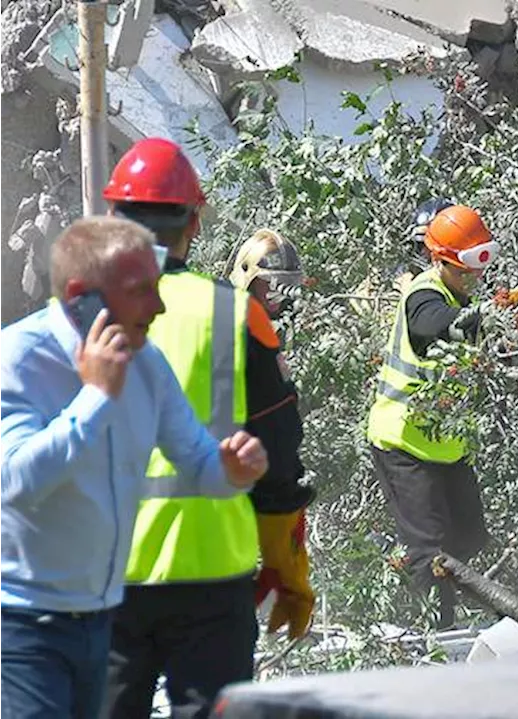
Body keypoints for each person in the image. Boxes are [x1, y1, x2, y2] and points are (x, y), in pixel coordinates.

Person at [0, 216, 268, 719]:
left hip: (101, 619)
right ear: (83, 295)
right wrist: (96, 396)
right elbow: (14, 482)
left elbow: (198, 461)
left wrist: (233, 469)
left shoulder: (147, 363)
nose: (160, 306)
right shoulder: (16, 358)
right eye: (142, 290)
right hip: (21, 624)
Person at [99, 138, 315, 719]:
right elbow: (278, 453)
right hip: (214, 579)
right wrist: (287, 566)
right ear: (194, 224)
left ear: (114, 219)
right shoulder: (235, 313)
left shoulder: (74, 315)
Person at [365, 202, 497, 629]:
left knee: (472, 535)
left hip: (445, 445)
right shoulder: (424, 294)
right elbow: (430, 325)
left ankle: (432, 594)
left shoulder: (459, 293)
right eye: (466, 267)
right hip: (401, 442)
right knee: (432, 551)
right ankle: (438, 636)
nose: (473, 276)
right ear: (441, 260)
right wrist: (473, 321)